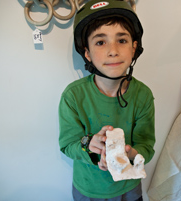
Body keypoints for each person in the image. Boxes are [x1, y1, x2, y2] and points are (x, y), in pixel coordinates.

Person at [58, 0, 155, 200]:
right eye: (101, 42)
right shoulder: (73, 96)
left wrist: (130, 153)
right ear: (87, 53)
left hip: (129, 187)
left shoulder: (143, 95)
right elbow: (68, 144)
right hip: (88, 189)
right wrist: (89, 144)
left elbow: (146, 146)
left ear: (134, 47)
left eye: (122, 40)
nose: (113, 50)